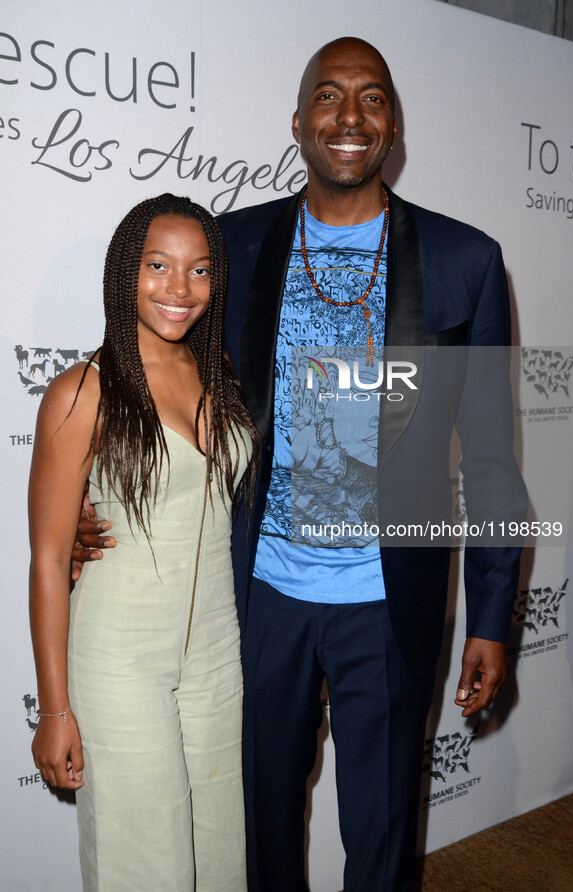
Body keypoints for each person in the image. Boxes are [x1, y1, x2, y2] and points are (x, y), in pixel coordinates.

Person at [74, 39, 527, 892]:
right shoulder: (234, 248)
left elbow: (495, 462)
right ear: (297, 121)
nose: (348, 117)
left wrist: (493, 617)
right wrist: (82, 506)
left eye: (371, 99)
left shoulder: (466, 262)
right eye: (328, 96)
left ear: (392, 125)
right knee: (259, 831)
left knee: (383, 835)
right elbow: (148, 373)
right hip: (256, 600)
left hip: (390, 604)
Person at [29, 194, 258, 891]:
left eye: (198, 270)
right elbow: (46, 557)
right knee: (143, 864)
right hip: (119, 659)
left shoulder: (217, 372)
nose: (177, 288)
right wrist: (54, 710)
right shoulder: (82, 392)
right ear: (125, 271)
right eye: (157, 265)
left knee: (220, 853)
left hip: (218, 651)